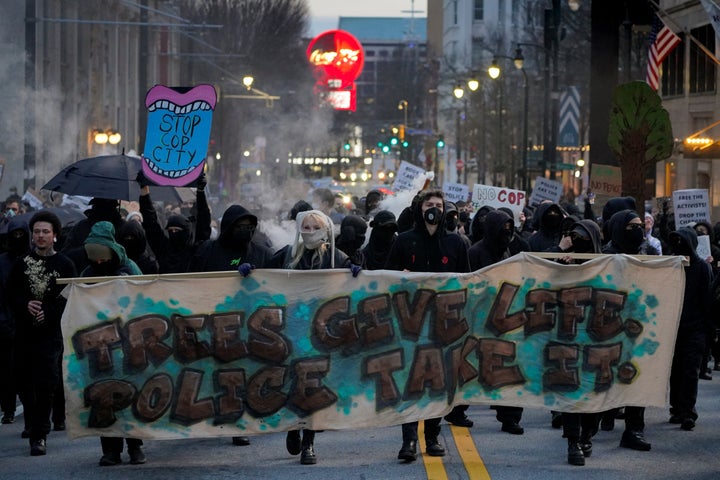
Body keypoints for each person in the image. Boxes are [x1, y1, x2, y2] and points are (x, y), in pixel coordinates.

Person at [385, 190, 470, 461]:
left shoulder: (456, 243)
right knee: (411, 382)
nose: (434, 209)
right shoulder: (404, 242)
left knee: (438, 382)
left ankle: (432, 436)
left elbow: (468, 281)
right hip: (411, 323)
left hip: (444, 324)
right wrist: (401, 278)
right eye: (429, 205)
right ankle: (408, 440)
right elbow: (386, 279)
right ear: (418, 209)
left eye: (439, 205)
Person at [267, 210, 358, 465]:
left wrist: (355, 270)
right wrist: (249, 270)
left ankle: (309, 442)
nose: (308, 232)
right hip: (291, 330)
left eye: (314, 227)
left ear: (325, 230)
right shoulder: (288, 255)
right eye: (304, 227)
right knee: (292, 383)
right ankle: (293, 427)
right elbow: (264, 273)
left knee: (313, 388)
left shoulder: (335, 257)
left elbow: (353, 285)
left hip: (320, 334)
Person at [189, 204, 273, 447]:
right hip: (213, 322)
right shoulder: (208, 251)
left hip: (249, 325)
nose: (245, 231)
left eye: (249, 227)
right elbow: (192, 279)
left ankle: (239, 423)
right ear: (228, 227)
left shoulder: (261, 253)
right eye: (240, 226)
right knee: (213, 374)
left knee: (241, 375)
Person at [7, 211, 77, 456]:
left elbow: (69, 296)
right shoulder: (21, 263)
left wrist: (49, 311)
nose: (40, 236)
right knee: (23, 381)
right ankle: (32, 420)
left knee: (46, 383)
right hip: (25, 333)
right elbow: (11, 293)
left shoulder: (65, 265)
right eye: (36, 231)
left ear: (55, 235)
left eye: (45, 231)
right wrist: (26, 303)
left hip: (51, 335)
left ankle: (39, 435)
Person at [79, 221, 146, 466]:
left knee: (131, 394)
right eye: (93, 258)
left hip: (129, 342)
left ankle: (135, 446)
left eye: (102, 257)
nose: (98, 263)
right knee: (103, 398)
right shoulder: (86, 273)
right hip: (98, 345)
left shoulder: (129, 267)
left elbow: (145, 298)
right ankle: (110, 449)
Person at [468, 209, 525, 435]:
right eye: (503, 228)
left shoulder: (507, 252)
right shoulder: (475, 252)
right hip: (479, 319)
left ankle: (510, 417)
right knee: (470, 367)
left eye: (510, 229)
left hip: (503, 321)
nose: (507, 233)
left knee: (507, 370)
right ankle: (456, 409)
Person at [601, 209, 653, 451]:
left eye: (641, 225)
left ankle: (634, 429)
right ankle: (598, 421)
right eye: (633, 226)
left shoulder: (648, 253)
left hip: (638, 326)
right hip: (610, 326)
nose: (639, 229)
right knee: (608, 375)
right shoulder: (607, 256)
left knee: (637, 378)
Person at [556, 220, 603, 466]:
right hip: (568, 336)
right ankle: (573, 441)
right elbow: (545, 286)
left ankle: (587, 434)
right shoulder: (564, 261)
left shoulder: (604, 265)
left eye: (582, 237)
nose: (577, 241)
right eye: (574, 237)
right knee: (570, 390)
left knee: (592, 389)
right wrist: (560, 257)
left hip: (596, 337)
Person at [667, 226, 713, 431]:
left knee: (690, 372)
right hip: (673, 327)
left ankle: (688, 411)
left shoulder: (702, 268)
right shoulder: (669, 266)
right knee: (675, 370)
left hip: (695, 328)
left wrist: (708, 330)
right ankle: (676, 408)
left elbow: (707, 300)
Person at [138, 174, 211, 273]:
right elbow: (151, 225)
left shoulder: (195, 250)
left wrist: (200, 192)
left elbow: (203, 224)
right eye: (171, 230)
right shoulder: (163, 250)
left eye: (177, 230)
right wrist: (144, 192)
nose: (174, 233)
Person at [0, 217, 31, 425]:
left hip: (28, 322)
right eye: (15, 235)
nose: (18, 238)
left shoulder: (32, 259)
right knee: (5, 371)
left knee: (27, 370)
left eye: (22, 234)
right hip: (4, 321)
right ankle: (8, 409)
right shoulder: (2, 261)